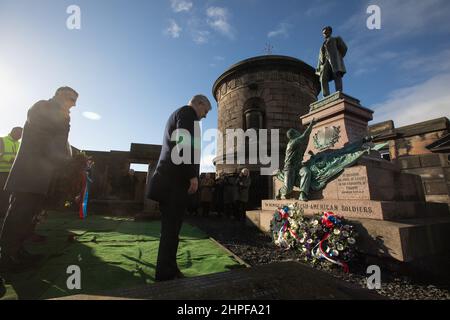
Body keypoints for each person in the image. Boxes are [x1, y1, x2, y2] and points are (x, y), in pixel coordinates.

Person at [0, 86, 78, 271]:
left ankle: (18, 250)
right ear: (59, 94)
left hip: (42, 173)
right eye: (71, 98)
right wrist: (63, 121)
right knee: (19, 213)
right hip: (29, 170)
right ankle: (7, 255)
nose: (73, 104)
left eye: (75, 101)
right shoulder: (42, 106)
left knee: (29, 214)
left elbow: (59, 143)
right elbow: (46, 137)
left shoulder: (61, 115)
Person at [147, 94, 211, 281]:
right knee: (170, 231)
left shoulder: (181, 114)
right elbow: (183, 144)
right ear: (198, 103)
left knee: (172, 231)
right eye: (205, 111)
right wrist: (192, 175)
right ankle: (165, 275)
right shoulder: (186, 113)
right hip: (173, 183)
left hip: (172, 182)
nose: (205, 115)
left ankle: (170, 267)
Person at [280, 119, 317, 201]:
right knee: (288, 189)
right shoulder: (293, 142)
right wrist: (311, 125)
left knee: (306, 172)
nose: (298, 133)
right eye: (297, 132)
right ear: (294, 135)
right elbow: (305, 135)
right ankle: (280, 191)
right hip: (290, 168)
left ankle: (302, 194)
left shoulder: (297, 143)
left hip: (299, 166)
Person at [316, 26, 348, 97]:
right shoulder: (323, 44)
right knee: (323, 78)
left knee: (336, 75)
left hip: (334, 61)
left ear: (330, 31)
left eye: (326, 32)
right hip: (324, 63)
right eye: (323, 33)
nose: (324, 34)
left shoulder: (336, 39)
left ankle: (339, 92)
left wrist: (338, 57)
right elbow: (321, 56)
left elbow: (344, 49)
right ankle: (326, 95)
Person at [0, 127, 23, 223]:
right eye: (19, 134)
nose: (20, 136)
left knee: (9, 194)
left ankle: (5, 213)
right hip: (2, 172)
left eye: (21, 135)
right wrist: (11, 159)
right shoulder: (2, 140)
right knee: (2, 193)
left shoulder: (20, 144)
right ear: (13, 132)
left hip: (13, 173)